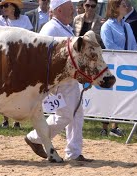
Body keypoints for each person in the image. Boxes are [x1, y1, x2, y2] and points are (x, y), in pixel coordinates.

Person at [25, 0, 92, 162]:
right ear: (59, 10)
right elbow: (42, 57)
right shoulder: (50, 29)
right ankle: (34, 138)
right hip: (58, 82)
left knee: (76, 115)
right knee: (65, 115)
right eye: (70, 9)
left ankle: (74, 152)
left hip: (70, 79)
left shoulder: (65, 27)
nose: (73, 12)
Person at [99, 0, 136, 137]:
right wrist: (126, 56)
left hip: (126, 66)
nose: (126, 7)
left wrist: (131, 58)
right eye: (123, 5)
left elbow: (132, 45)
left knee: (121, 96)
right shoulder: (107, 26)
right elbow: (109, 45)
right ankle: (104, 127)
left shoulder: (127, 26)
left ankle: (115, 126)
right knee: (107, 96)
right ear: (115, 7)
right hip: (112, 66)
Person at [0, 0, 33, 128]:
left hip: (21, 59)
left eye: (6, 5)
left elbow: (30, 39)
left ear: (13, 7)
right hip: (5, 59)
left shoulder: (25, 19)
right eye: (2, 6)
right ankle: (5, 119)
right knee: (5, 89)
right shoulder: (0, 20)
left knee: (19, 90)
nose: (3, 8)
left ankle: (17, 121)